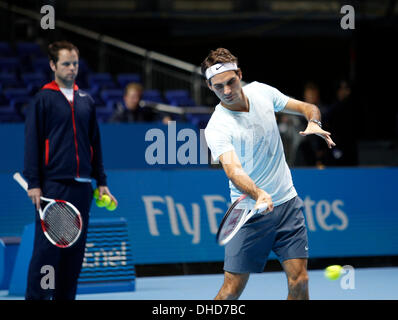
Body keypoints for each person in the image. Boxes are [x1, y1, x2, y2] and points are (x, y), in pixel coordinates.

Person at [202, 48, 335, 300]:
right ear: (210, 86)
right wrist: (258, 193)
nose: (227, 91)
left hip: (287, 204)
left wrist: (314, 123)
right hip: (250, 211)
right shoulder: (217, 127)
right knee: (231, 291)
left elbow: (308, 107)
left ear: (240, 74)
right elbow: (233, 170)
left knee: (300, 281)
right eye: (219, 87)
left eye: (231, 81)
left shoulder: (262, 92)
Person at [23, 40, 118, 300]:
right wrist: (34, 182)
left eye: (75, 63)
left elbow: (94, 143)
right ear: (53, 65)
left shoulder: (86, 100)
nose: (71, 68)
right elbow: (32, 141)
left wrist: (101, 181)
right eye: (66, 63)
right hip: (53, 186)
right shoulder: (42, 99)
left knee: (74, 253)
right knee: (46, 253)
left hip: (82, 188)